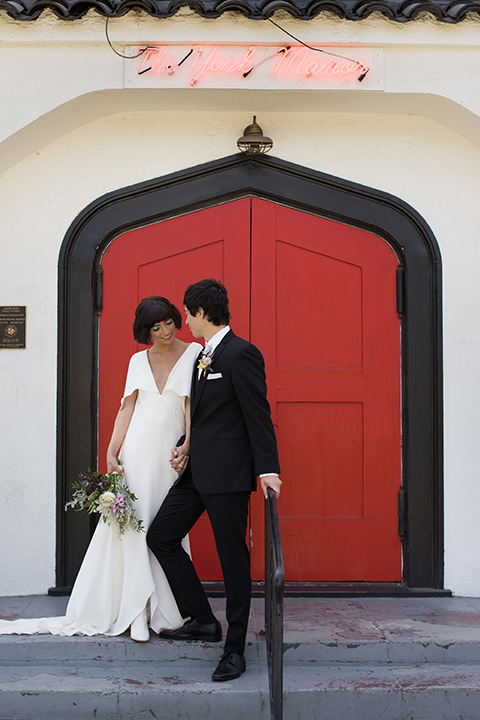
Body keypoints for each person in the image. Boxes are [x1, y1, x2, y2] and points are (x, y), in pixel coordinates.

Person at [0, 296, 202, 641]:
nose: (165, 331)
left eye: (168, 322)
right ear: (146, 331)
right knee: (132, 528)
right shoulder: (138, 360)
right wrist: (111, 452)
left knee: (161, 529)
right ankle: (135, 611)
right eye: (156, 327)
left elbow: (190, 406)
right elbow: (127, 409)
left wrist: (188, 447)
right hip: (136, 453)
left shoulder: (194, 353)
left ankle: (161, 608)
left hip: (169, 457)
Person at [147, 279, 282, 681]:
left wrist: (268, 470)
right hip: (195, 472)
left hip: (228, 477)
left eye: (187, 313)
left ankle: (235, 649)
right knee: (160, 537)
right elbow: (204, 417)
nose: (184, 320)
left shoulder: (242, 353)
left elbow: (257, 413)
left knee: (232, 563)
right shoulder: (201, 356)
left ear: (203, 313)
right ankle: (203, 619)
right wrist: (184, 445)